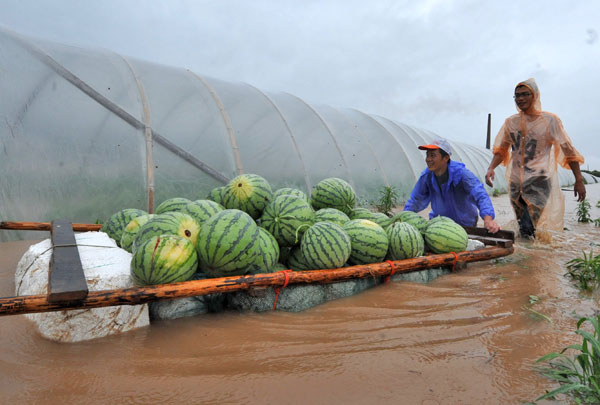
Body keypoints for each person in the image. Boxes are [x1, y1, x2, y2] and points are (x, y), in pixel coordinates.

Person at [485, 78, 585, 239]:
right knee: (523, 225)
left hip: (539, 181)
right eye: (517, 95)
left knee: (527, 225)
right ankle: (531, 254)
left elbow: (568, 151)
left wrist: (578, 179)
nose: (520, 98)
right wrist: (491, 168)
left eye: (525, 94)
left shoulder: (549, 120)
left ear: (535, 96)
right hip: (516, 182)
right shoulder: (511, 122)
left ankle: (528, 259)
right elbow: (501, 150)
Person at [404, 138, 501, 233]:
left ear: (446, 158)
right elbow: (415, 200)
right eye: (427, 155)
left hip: (465, 225)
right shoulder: (427, 177)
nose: (428, 159)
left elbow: (480, 195)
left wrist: (488, 219)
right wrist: (403, 218)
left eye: (432, 155)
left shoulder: (462, 174)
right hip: (439, 225)